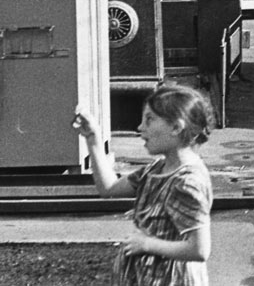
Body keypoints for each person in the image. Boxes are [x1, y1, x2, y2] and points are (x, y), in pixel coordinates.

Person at [74, 83, 215, 285]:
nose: (141, 127)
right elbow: (109, 188)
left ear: (176, 127)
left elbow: (199, 249)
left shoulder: (188, 182)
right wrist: (93, 139)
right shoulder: (157, 169)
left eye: (150, 120)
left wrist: (148, 244)